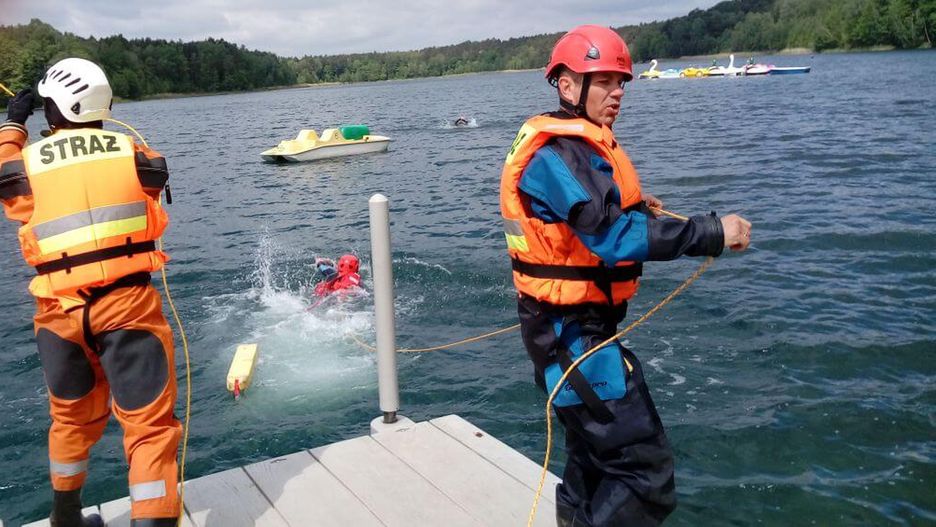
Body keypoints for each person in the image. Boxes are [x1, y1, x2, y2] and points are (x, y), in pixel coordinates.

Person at [499, 26, 751, 526]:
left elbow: (594, 219)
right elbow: (612, 237)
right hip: (574, 338)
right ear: (567, 85)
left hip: (569, 333)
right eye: (604, 81)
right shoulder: (556, 155)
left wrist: (635, 207)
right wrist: (712, 232)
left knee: (592, 465)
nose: (617, 92)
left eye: (621, 82)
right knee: (645, 476)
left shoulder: (575, 147)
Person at [0, 58, 181, 527]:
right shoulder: (133, 153)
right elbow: (154, 181)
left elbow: (6, 181)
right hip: (128, 306)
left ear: (54, 109)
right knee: (148, 426)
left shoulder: (26, 165)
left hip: (59, 314)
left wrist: (14, 123)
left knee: (70, 420)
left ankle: (65, 519)